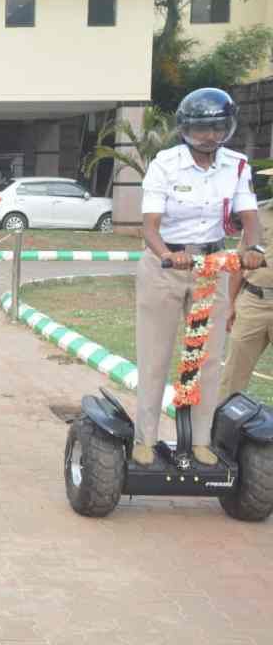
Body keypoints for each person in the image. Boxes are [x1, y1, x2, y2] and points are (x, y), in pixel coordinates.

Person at [134, 87, 262, 467]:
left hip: (212, 267)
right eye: (204, 128)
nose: (211, 135)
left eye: (219, 127)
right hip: (167, 267)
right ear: (186, 128)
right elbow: (150, 227)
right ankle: (146, 438)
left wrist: (254, 249)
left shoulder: (236, 165)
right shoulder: (165, 164)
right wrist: (168, 256)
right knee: (155, 354)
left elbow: (249, 217)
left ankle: (201, 440)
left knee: (207, 357)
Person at [221, 178, 273, 398]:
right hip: (253, 302)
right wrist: (230, 304)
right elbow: (238, 263)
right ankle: (220, 429)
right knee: (232, 377)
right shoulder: (259, 216)